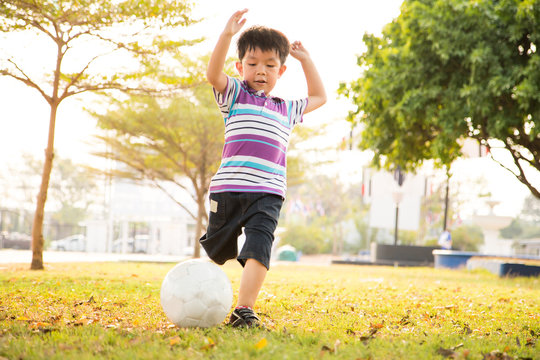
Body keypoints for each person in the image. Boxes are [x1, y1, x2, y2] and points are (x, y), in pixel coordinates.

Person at [200, 8, 326, 328]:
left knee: (259, 246)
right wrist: (227, 36)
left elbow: (319, 96)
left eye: (270, 65)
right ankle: (201, 287)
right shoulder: (234, 95)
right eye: (253, 64)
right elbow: (213, 75)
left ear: (280, 71)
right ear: (240, 66)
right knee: (217, 250)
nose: (261, 71)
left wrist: (306, 60)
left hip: (268, 192)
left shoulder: (286, 108)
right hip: (229, 188)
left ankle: (244, 309)